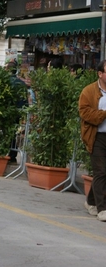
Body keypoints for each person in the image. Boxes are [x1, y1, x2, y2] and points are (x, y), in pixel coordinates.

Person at [78, 59, 106, 222]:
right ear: (100, 74)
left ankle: (90, 201)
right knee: (100, 171)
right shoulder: (89, 92)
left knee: (103, 173)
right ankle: (103, 209)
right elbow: (85, 113)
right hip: (97, 137)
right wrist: (104, 113)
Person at [5, 60, 29, 164]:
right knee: (14, 132)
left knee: (7, 132)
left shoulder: (6, 81)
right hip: (18, 112)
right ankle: (12, 155)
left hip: (7, 110)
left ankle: (6, 152)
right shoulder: (22, 83)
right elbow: (25, 100)